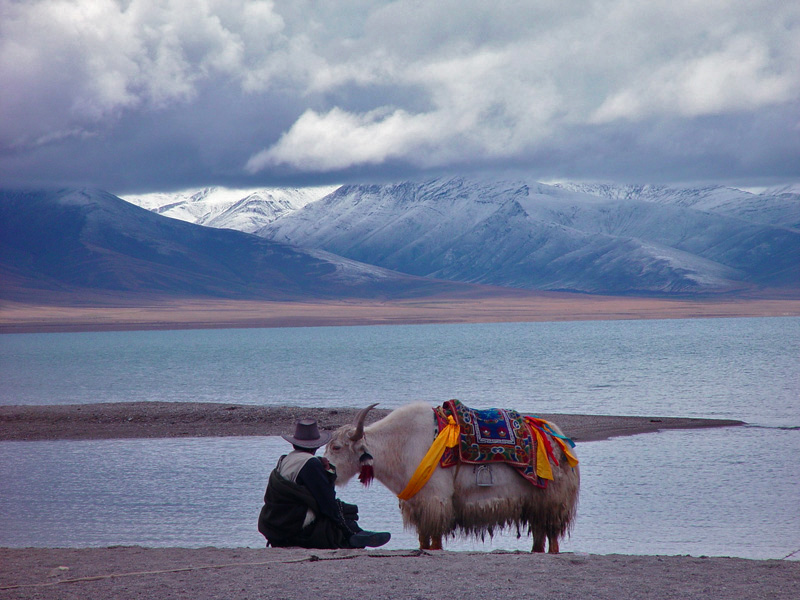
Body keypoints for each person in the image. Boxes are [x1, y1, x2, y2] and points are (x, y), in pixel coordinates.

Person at [258, 418, 391, 549]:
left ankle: (357, 533)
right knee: (343, 510)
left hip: (275, 525)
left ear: (294, 443)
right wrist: (329, 474)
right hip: (294, 525)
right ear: (316, 445)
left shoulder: (285, 459)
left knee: (338, 510)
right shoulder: (311, 463)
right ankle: (353, 535)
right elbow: (326, 500)